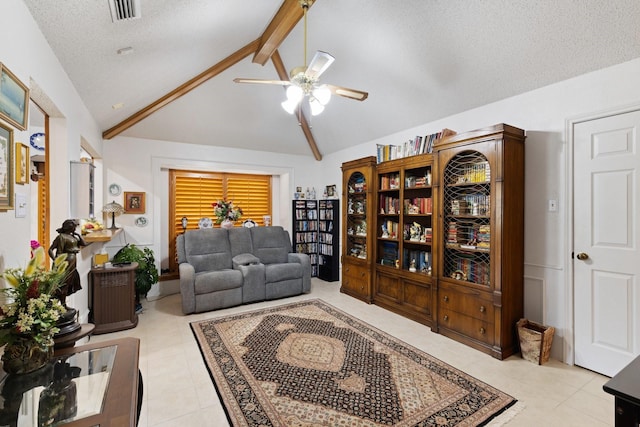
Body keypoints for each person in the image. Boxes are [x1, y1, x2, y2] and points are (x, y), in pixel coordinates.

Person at [48, 219, 87, 308]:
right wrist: (56, 260)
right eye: (74, 226)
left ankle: (63, 304)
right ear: (69, 227)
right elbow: (51, 249)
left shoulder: (72, 236)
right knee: (64, 282)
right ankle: (61, 304)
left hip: (73, 261)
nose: (75, 228)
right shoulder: (61, 237)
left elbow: (84, 244)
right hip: (66, 261)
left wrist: (78, 235)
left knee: (70, 282)